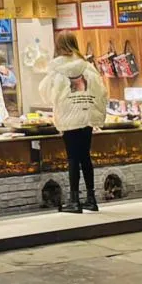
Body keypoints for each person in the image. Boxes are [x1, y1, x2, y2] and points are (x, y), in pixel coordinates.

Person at [47, 34, 108, 213]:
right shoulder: (87, 66)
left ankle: (74, 201)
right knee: (85, 157)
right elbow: (101, 91)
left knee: (73, 158)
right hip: (86, 116)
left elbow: (48, 92)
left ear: (58, 46)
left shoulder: (56, 67)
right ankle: (91, 199)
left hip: (68, 118)